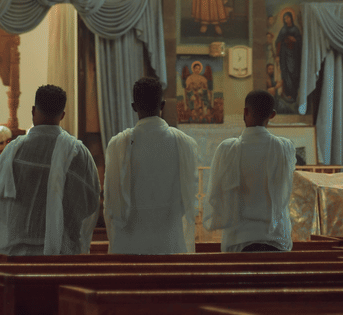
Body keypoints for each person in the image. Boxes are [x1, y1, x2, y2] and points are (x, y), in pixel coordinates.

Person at [0, 84, 100, 256]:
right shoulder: (79, 153)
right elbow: (91, 201)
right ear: (62, 115)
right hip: (62, 254)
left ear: (33, 111)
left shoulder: (12, 152)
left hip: (18, 254)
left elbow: (0, 201)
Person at [104, 76, 198, 254]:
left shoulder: (118, 144)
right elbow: (189, 198)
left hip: (129, 248)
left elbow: (111, 202)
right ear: (162, 105)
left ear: (134, 107)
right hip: (169, 245)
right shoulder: (184, 143)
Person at [205, 90, 296, 252]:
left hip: (239, 240)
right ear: (273, 115)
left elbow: (215, 195)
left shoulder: (227, 149)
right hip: (275, 239)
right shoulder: (284, 148)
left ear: (245, 111)